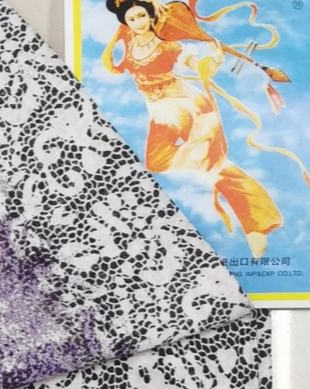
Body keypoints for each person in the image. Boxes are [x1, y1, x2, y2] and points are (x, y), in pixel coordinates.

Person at [102, 0, 291, 257]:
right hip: (161, 111)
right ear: (125, 21)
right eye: (132, 19)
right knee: (162, 162)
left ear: (150, 16)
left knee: (212, 165)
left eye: (142, 16)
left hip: (190, 108)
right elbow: (112, 64)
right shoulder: (129, 40)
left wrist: (215, 60)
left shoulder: (169, 46)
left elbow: (200, 66)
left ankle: (256, 227)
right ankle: (257, 218)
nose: (138, 22)